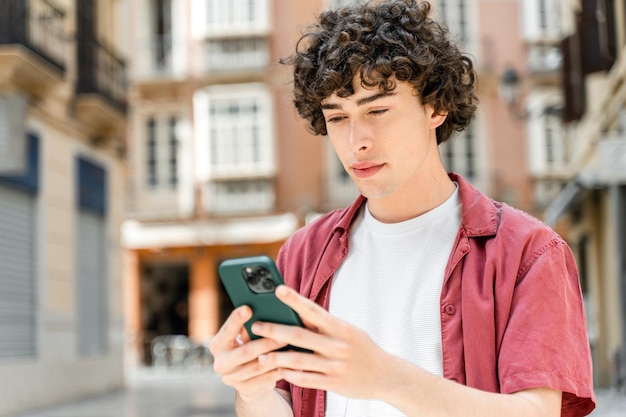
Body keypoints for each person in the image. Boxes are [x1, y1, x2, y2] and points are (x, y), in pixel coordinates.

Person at [209, 1, 596, 416]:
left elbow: (537, 412)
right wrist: (252, 392)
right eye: (337, 118)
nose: (356, 140)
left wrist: (385, 378)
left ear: (436, 107)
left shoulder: (529, 252)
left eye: (377, 110)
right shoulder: (303, 253)